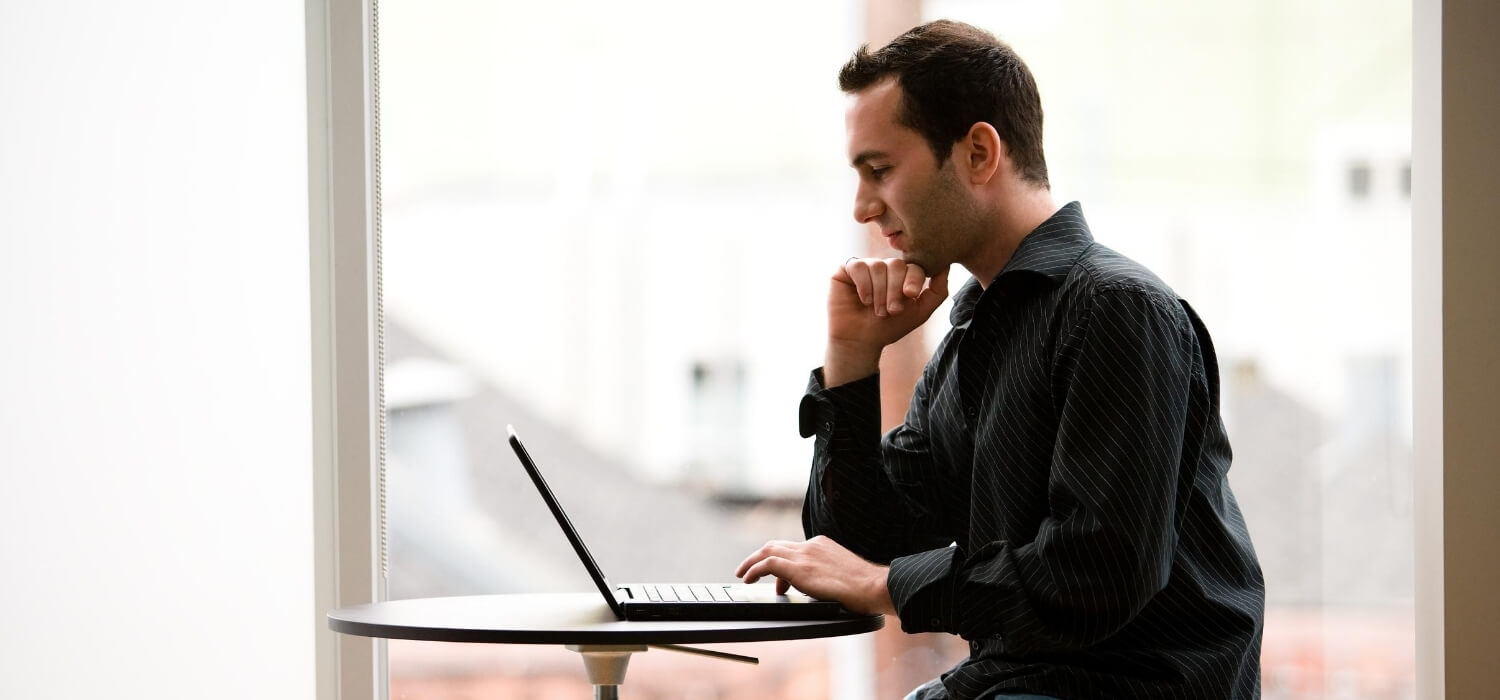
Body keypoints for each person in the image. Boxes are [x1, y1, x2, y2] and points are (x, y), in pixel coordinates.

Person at [734, 19, 1265, 700]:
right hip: (1012, 686)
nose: (865, 205)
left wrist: (882, 585)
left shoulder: (1116, 310)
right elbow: (861, 545)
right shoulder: (972, 340)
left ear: (979, 152)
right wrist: (852, 360)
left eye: (880, 170)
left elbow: (1096, 577)